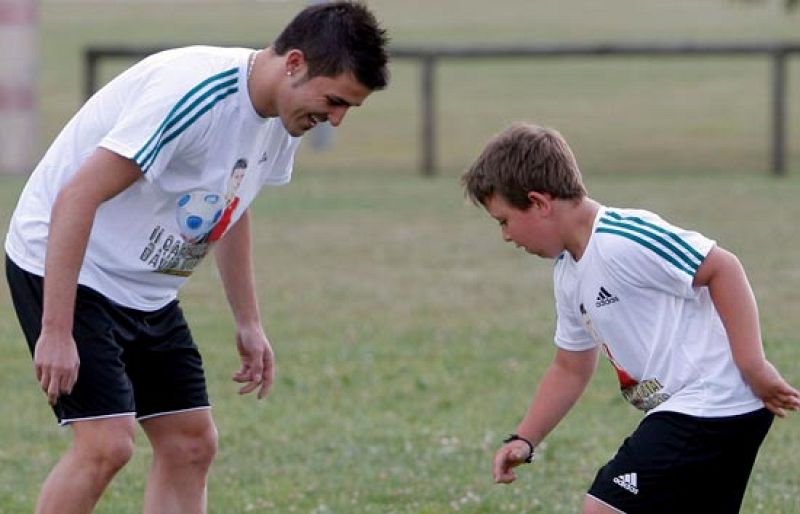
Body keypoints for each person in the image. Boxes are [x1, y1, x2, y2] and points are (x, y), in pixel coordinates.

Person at [4, 2, 389, 513]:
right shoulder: (194, 95)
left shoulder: (283, 118)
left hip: (145, 286)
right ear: (294, 63)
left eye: (347, 109)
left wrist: (249, 322)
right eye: (335, 101)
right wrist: (56, 329)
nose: (335, 120)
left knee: (191, 443)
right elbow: (76, 197)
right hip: (69, 265)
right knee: (106, 445)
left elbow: (231, 202)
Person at [461, 122, 800, 513]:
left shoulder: (622, 239)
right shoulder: (568, 272)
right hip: (710, 409)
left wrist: (753, 365)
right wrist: (525, 438)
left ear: (538, 203)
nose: (505, 235)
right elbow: (570, 367)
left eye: (504, 221)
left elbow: (723, 268)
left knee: (603, 507)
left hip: (709, 402)